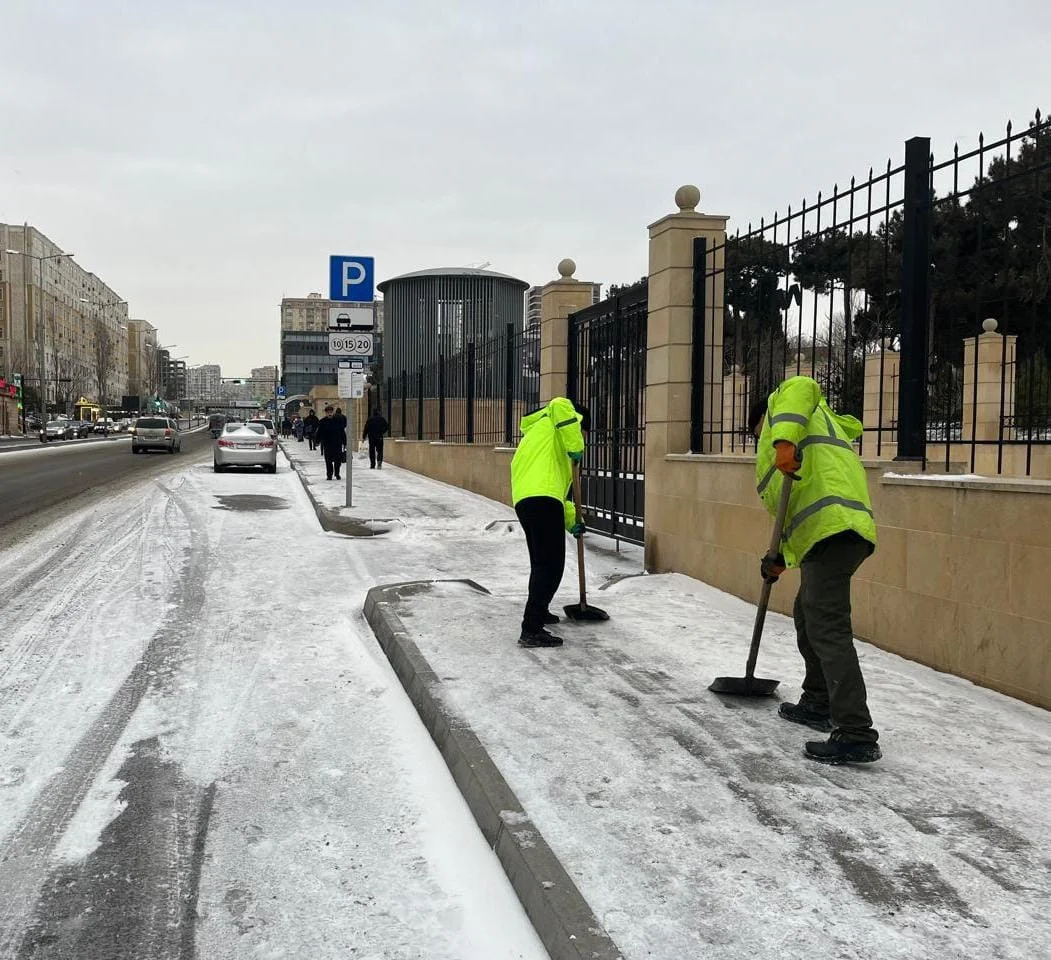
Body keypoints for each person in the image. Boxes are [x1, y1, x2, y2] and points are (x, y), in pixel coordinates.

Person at [748, 375, 880, 765]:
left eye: (757, 432)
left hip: (835, 527)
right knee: (808, 615)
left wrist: (782, 437)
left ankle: (855, 731)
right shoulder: (805, 441)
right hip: (828, 533)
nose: (760, 440)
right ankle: (818, 701)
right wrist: (779, 560)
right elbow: (793, 514)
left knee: (827, 626)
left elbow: (803, 384)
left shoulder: (785, 406)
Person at [509, 397, 588, 648]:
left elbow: (559, 489)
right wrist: (576, 443)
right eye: (582, 428)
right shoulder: (560, 416)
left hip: (528, 500)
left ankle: (539, 612)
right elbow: (560, 402)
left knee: (541, 563)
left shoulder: (539, 436)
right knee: (551, 566)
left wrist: (571, 521)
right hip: (542, 499)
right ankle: (531, 629)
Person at [314, 405, 344, 480]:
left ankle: (337, 473)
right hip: (327, 444)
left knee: (338, 460)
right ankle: (329, 475)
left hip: (337, 443)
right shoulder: (322, 422)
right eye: (328, 412)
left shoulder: (338, 421)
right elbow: (319, 432)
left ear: (333, 412)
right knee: (328, 460)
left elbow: (342, 432)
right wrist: (317, 441)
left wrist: (345, 441)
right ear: (326, 413)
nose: (329, 413)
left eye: (331, 412)